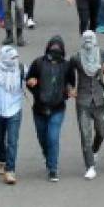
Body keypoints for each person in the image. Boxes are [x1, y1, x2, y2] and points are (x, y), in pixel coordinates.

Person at [26, 35, 72, 182]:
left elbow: (71, 82)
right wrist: (32, 85)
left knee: (53, 137)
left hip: (57, 108)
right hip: (39, 108)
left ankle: (53, 168)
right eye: (53, 49)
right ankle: (48, 156)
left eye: (58, 49)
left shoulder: (66, 65)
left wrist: (68, 91)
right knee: (42, 138)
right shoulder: (38, 63)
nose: (55, 52)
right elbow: (29, 79)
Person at [68, 31, 104, 179]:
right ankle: (90, 166)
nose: (88, 41)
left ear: (95, 40)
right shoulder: (76, 57)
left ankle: (94, 149)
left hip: (99, 99)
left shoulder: (103, 54)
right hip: (83, 100)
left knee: (102, 131)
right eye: (85, 39)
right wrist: (70, 88)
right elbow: (68, 73)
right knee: (85, 135)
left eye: (91, 38)